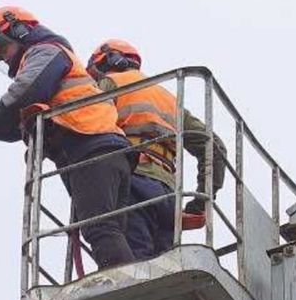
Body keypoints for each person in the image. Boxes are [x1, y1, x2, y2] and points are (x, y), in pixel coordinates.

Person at [0, 7, 136, 269]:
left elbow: (20, 98)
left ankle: (119, 286)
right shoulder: (50, 60)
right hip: (100, 149)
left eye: (4, 47)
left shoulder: (47, 51)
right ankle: (124, 282)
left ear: (20, 30)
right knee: (108, 229)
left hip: (90, 144)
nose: (5, 58)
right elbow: (10, 127)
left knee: (100, 228)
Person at [87, 39, 228, 260]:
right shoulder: (169, 99)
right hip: (169, 195)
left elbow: (84, 129)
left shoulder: (108, 84)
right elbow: (215, 147)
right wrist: (201, 200)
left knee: (131, 270)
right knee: (163, 270)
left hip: (130, 184)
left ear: (109, 60)